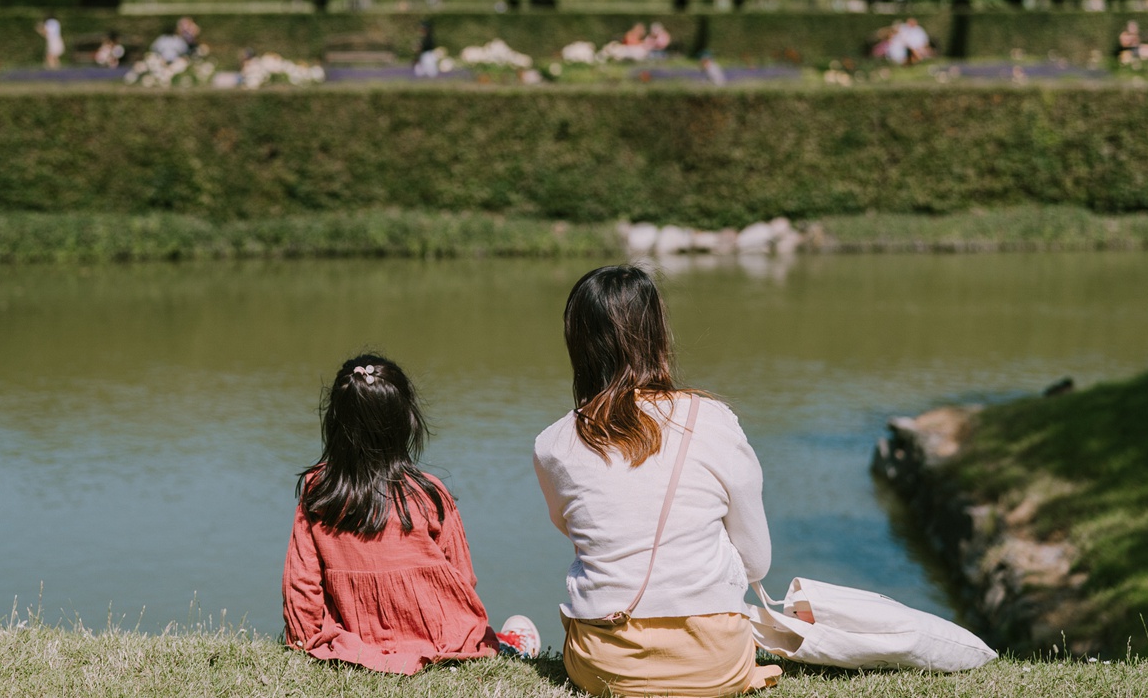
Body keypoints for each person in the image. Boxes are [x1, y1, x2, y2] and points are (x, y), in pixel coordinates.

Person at [534, 264, 780, 697]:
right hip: (714, 664)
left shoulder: (553, 443)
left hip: (604, 666)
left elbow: (575, 533)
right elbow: (756, 563)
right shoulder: (714, 421)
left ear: (577, 343)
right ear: (658, 334)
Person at [284, 354, 540, 675]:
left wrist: (305, 639)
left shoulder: (319, 491)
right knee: (494, 638)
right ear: (407, 420)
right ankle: (511, 647)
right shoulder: (429, 494)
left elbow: (302, 581)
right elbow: (462, 578)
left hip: (356, 636)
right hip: (439, 636)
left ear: (335, 420)